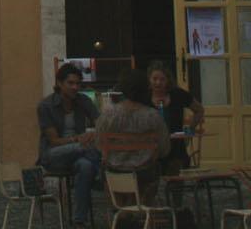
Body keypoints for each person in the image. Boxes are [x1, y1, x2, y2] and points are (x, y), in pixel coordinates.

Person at [37, 62, 101, 228]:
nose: (75, 87)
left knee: (86, 166)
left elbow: (101, 124)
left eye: (78, 84)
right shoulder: (46, 106)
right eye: (70, 83)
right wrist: (78, 139)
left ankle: (79, 220)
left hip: (80, 155)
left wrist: (94, 133)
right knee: (85, 148)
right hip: (54, 155)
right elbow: (54, 141)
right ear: (59, 83)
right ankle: (101, 171)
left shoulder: (83, 101)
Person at [94, 67, 170, 198]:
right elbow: (164, 149)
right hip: (146, 176)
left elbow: (99, 146)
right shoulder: (154, 116)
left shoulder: (107, 116)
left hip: (114, 175)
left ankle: (122, 212)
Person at [147, 61, 204, 174]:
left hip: (176, 147)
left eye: (162, 79)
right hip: (151, 147)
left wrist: (191, 129)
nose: (158, 82)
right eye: (155, 79)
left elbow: (199, 110)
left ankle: (176, 188)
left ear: (168, 80)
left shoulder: (177, 94)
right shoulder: (144, 96)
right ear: (149, 79)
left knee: (176, 167)